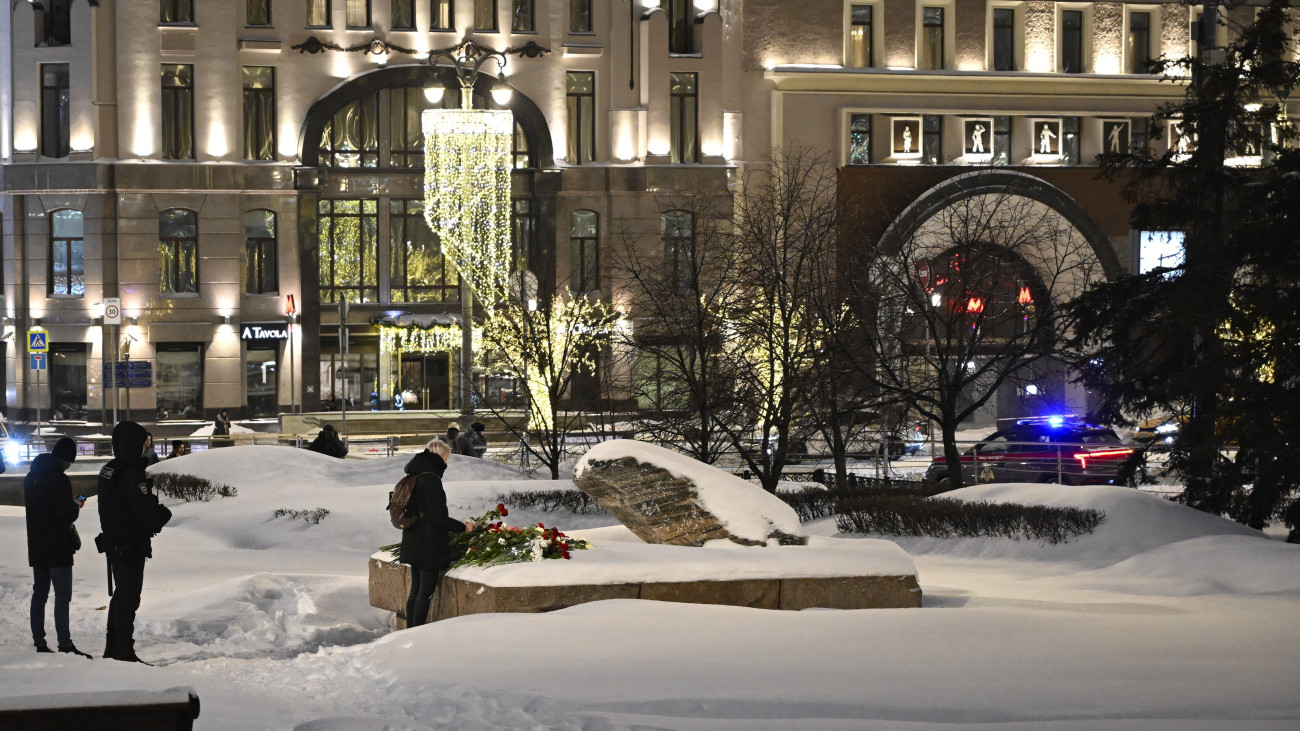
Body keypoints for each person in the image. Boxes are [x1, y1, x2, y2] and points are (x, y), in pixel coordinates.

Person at [98, 421, 172, 663]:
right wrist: (162, 513)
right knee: (128, 598)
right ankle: (123, 651)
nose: (144, 449)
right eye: (143, 444)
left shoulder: (109, 469)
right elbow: (146, 514)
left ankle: (114, 649)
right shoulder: (131, 474)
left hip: (114, 543)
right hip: (129, 544)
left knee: (121, 596)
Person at [25, 437, 91, 658]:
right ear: (66, 460)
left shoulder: (31, 477)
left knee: (39, 594)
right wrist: (76, 504)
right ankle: (65, 643)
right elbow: (66, 514)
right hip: (58, 548)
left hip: (36, 545)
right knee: (62, 597)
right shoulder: (59, 479)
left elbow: (43, 509)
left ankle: (39, 641)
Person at [401, 438, 474, 627]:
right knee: (425, 591)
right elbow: (437, 518)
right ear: (440, 457)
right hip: (428, 543)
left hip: (413, 538)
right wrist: (463, 528)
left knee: (416, 589)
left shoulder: (414, 475)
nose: (446, 464)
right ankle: (415, 632)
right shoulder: (430, 480)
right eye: (446, 459)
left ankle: (409, 630)